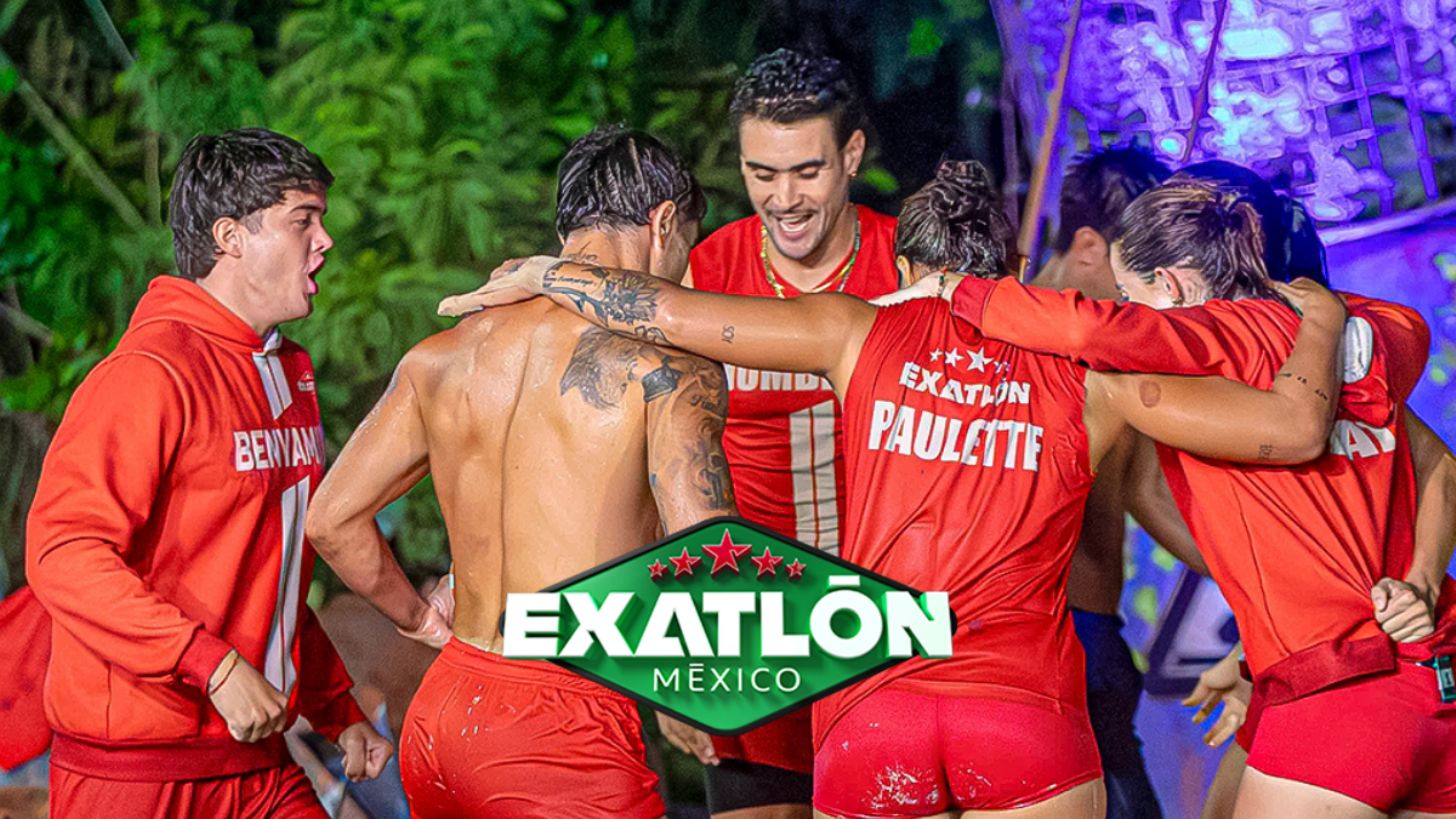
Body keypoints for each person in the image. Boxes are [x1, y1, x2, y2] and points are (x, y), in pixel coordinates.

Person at [441, 159, 1347, 818]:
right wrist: (1321, 319)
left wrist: (547, 274)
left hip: (876, 714)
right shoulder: (1092, 376)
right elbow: (1292, 430)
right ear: (1010, 275)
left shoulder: (854, 331)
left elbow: (669, 312)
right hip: (1023, 714)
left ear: (904, 272)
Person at [936, 179, 1456, 818]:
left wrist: (947, 288)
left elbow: (1080, 327)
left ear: (1172, 285)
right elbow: (1440, 466)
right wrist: (1416, 584)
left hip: (1338, 698)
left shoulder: (1207, 338)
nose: (1126, 310)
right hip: (1433, 672)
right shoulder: (1367, 337)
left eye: (1129, 294)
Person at [304, 125, 734, 818]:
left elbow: (331, 519)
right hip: (565, 727)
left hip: (446, 709)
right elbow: (713, 566)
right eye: (686, 248)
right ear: (662, 225)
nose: (682, 276)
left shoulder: (443, 354)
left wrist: (421, 620)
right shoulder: (669, 367)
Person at [25, 128, 390, 819]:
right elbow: (62, 553)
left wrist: (336, 707)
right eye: (302, 220)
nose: (325, 240)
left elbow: (269, 573)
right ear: (230, 237)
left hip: (260, 763)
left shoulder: (289, 372)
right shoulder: (147, 373)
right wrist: (212, 665)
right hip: (136, 774)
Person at [682, 49, 903, 816]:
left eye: (807, 172)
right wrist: (668, 664)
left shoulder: (907, 268)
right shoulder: (706, 274)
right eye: (762, 173)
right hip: (749, 625)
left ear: (852, 154)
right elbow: (656, 459)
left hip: (882, 626)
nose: (784, 199)